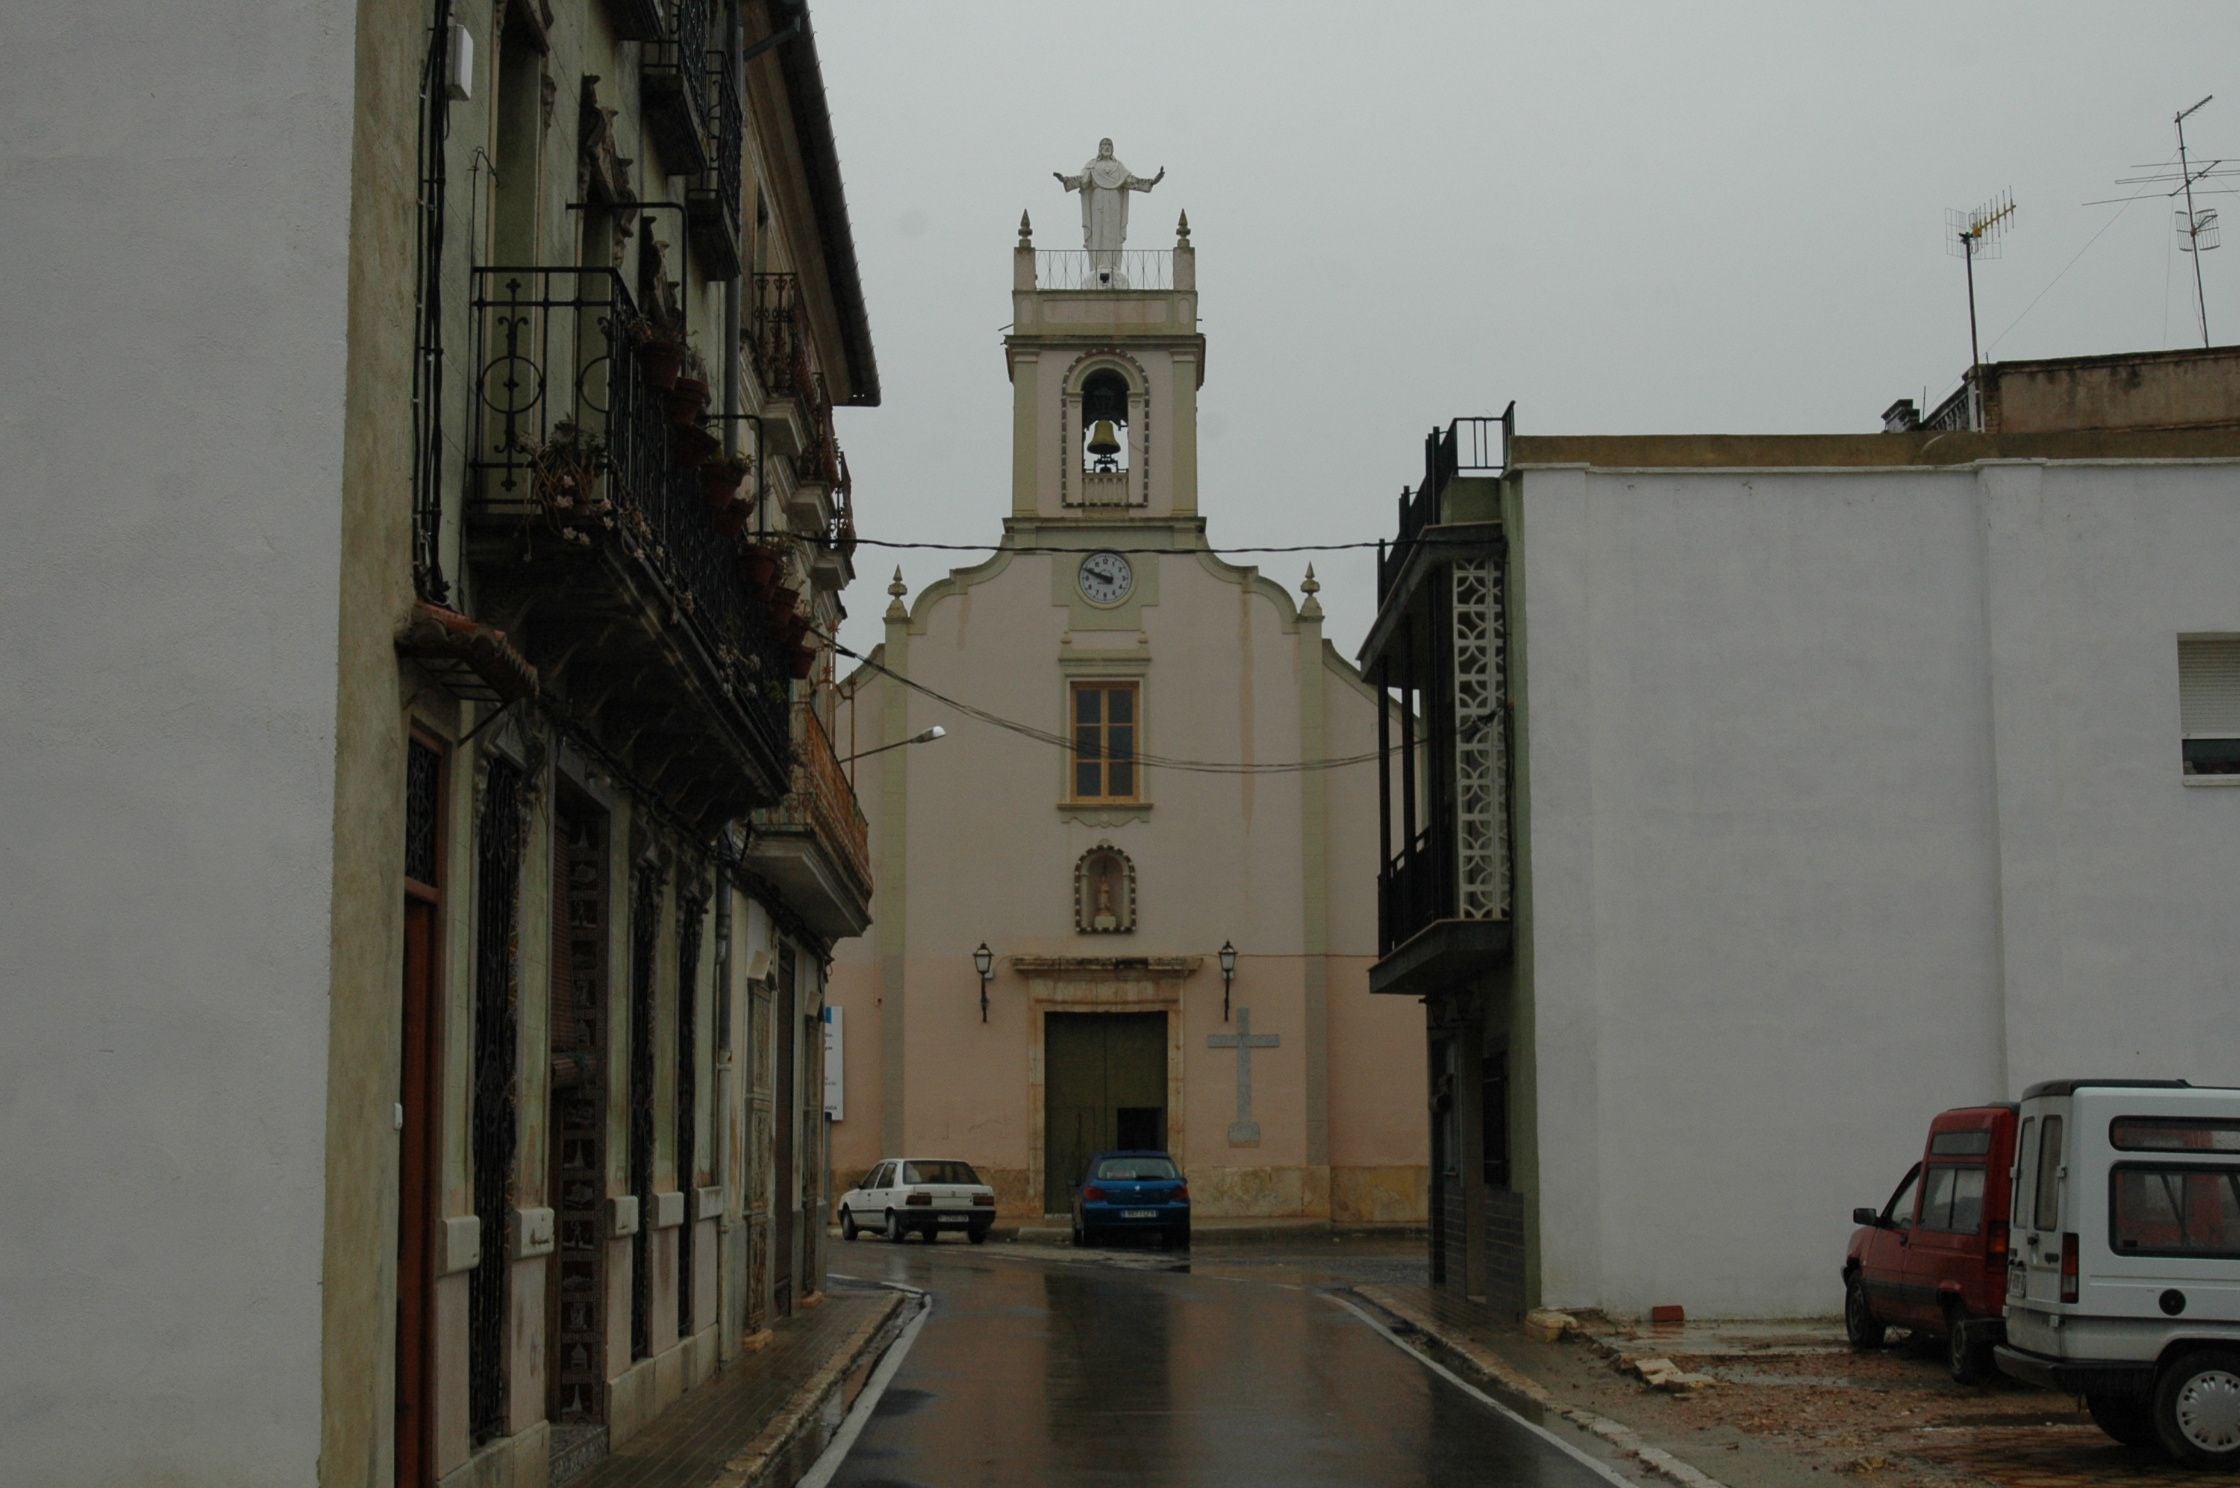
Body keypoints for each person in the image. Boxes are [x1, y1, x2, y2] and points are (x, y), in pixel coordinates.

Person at [1053, 139, 1164, 283]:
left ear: (1112, 149)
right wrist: (1065, 180)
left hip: (1114, 202)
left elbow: (1132, 181)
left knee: (1113, 233)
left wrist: (1152, 181)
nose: (1106, 148)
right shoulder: (1092, 165)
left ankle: (1113, 265)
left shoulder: (1118, 167)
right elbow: (1083, 180)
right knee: (1097, 232)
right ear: (1099, 148)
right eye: (1103, 145)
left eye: (1109, 145)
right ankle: (1097, 265)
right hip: (1098, 201)